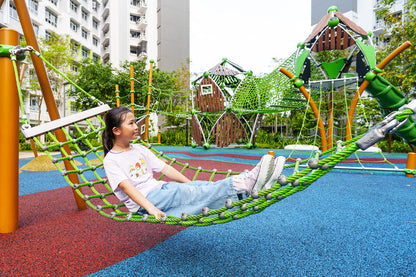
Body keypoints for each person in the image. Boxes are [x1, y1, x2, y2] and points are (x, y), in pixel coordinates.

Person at [102, 106, 285, 219]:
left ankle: (250, 188)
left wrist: (193, 184)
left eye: (135, 122)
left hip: (161, 190)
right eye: (131, 123)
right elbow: (128, 188)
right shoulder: (111, 160)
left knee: (200, 188)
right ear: (117, 131)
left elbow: (165, 168)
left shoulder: (139, 149)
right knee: (191, 192)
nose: (136, 127)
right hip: (146, 201)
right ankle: (244, 182)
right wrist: (150, 209)